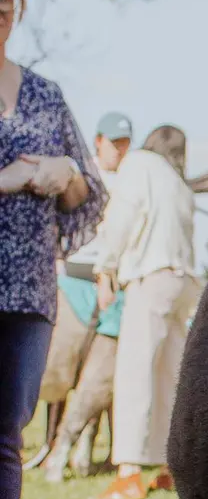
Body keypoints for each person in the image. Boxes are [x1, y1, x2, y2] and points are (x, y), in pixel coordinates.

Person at [0, 0, 106, 499]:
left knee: (5, 438)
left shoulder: (43, 92)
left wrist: (65, 176)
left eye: (5, 4)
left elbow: (91, 192)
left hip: (27, 291)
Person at [92, 124, 199, 499]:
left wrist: (105, 267)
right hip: (183, 279)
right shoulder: (180, 183)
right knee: (171, 375)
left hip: (151, 274)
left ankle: (130, 474)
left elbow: (123, 216)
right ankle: (173, 467)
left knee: (136, 372)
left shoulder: (139, 164)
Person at [35, 111, 133, 476]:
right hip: (72, 276)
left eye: (125, 142)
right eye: (114, 142)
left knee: (101, 375)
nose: (119, 149)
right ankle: (52, 447)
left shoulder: (130, 180)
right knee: (56, 368)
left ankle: (77, 452)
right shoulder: (82, 176)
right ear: (98, 141)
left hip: (110, 283)